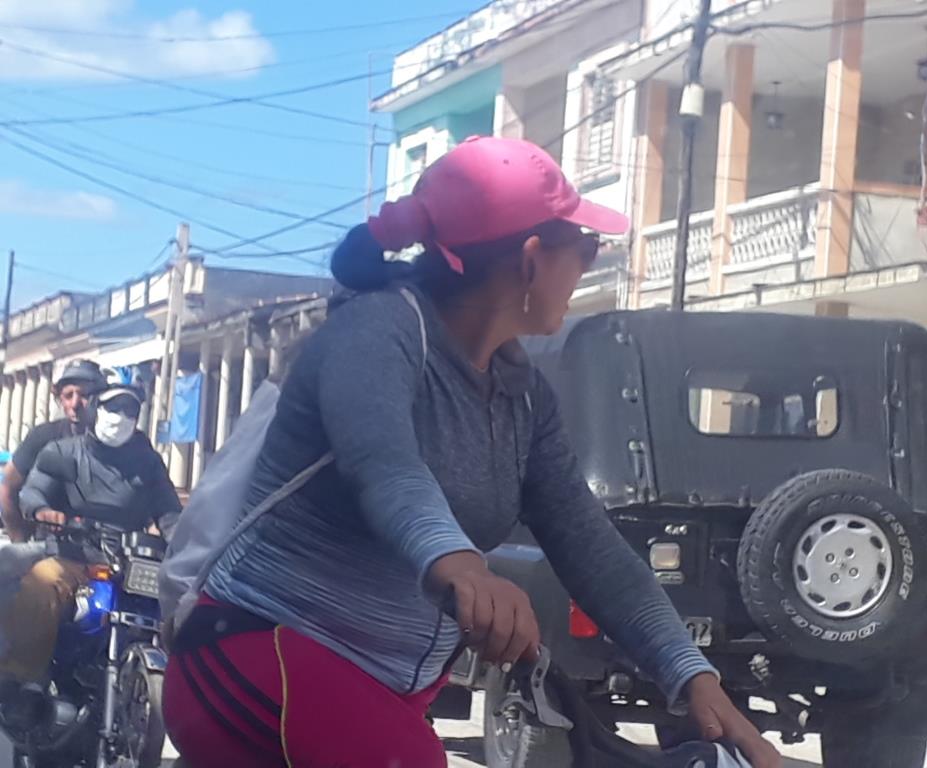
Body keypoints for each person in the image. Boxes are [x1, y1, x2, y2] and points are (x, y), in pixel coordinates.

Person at [162, 136, 782, 768]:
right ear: (533, 259)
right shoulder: (379, 332)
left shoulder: (523, 398)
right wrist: (462, 564)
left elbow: (589, 545)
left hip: (373, 693)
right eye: (586, 249)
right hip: (258, 652)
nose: (590, 267)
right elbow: (383, 463)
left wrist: (694, 679)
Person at [0, 377, 180, 683]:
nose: (120, 417)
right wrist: (43, 511)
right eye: (113, 407)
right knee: (40, 588)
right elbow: (33, 491)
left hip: (128, 567)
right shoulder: (63, 451)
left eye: (129, 410)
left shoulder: (148, 463)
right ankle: (21, 681)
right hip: (71, 554)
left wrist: (187, 545)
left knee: (176, 611)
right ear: (97, 409)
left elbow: (170, 514)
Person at [0, 359, 107, 543]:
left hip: (105, 550)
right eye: (68, 395)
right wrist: (19, 540)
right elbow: (7, 489)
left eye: (84, 395)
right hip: (51, 548)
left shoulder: (118, 441)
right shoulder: (43, 436)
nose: (75, 404)